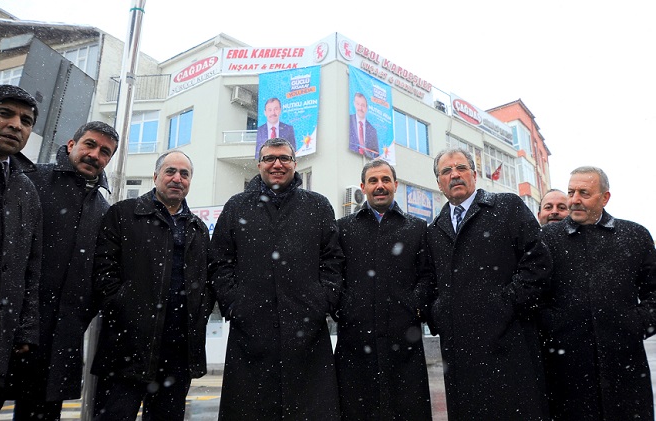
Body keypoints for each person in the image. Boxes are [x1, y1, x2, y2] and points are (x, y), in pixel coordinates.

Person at [211, 137, 344, 420]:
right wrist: (236, 303)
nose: (277, 164)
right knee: (250, 410)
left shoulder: (318, 206)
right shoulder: (236, 206)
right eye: (270, 158)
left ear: (295, 165)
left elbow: (333, 260)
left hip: (306, 329)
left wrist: (322, 300)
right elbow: (220, 262)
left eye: (284, 158)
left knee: (310, 410)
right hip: (251, 331)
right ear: (259, 164)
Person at [427, 148, 552, 420]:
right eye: (446, 171)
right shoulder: (435, 230)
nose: (455, 174)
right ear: (438, 183)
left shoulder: (507, 207)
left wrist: (503, 305)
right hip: (460, 353)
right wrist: (440, 314)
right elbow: (432, 283)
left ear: (474, 173)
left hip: (509, 343)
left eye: (461, 167)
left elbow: (538, 262)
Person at [7, 121, 119, 420]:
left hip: (61, 342)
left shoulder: (103, 210)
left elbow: (100, 275)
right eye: (90, 145)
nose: (95, 155)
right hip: (11, 329)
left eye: (105, 151)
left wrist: (79, 315)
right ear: (72, 145)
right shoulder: (31, 179)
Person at [91, 150, 214, 420]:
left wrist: (199, 312)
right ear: (156, 176)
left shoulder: (198, 228)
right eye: (170, 171)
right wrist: (122, 305)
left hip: (178, 351)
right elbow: (103, 270)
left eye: (185, 174)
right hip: (127, 347)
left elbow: (206, 282)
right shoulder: (123, 214)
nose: (177, 178)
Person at [539, 166, 656, 420]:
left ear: (605, 198)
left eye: (584, 192)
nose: (574, 200)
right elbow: (534, 293)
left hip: (625, 366)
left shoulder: (635, 236)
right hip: (565, 368)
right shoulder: (547, 238)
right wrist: (554, 325)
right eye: (571, 192)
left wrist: (636, 324)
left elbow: (654, 294)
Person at [335, 159, 433, 420]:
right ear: (363, 187)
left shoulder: (416, 227)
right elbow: (334, 276)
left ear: (396, 185)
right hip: (355, 344)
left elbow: (427, 277)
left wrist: (414, 306)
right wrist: (345, 307)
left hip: (404, 344)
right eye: (373, 181)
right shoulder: (343, 228)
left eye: (385, 180)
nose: (380, 186)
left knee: (406, 410)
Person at [0, 85, 42, 417]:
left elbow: (30, 269)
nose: (16, 125)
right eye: (4, 113)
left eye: (26, 120)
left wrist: (25, 330)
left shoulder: (26, 189)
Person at [349, 92, 379, 159]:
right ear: (354, 104)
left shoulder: (372, 130)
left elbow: (376, 155)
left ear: (366, 107)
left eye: (363, 105)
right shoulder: (348, 121)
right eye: (358, 104)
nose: (360, 108)